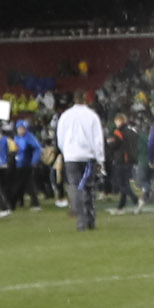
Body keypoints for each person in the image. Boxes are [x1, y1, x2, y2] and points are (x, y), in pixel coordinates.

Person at [56, 94, 105, 231]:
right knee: (89, 187)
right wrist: (100, 158)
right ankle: (90, 219)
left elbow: (60, 138)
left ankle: (81, 220)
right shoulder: (92, 116)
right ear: (86, 100)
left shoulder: (65, 116)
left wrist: (66, 152)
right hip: (88, 157)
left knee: (76, 187)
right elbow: (98, 139)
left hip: (71, 157)